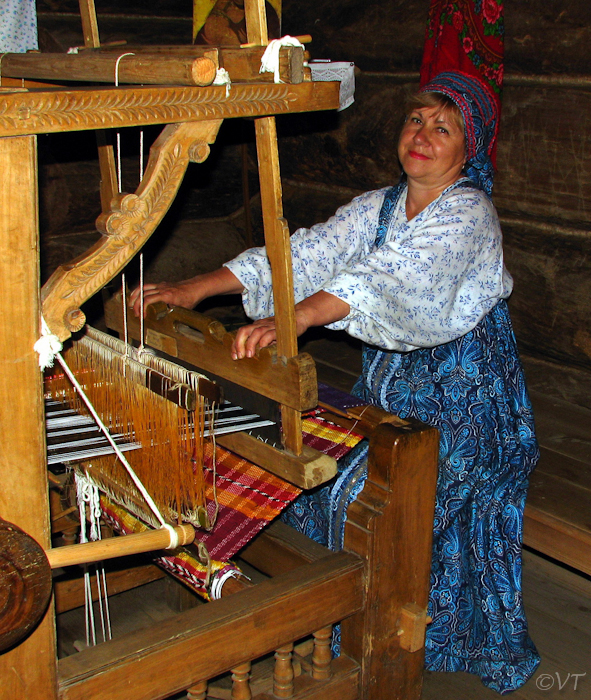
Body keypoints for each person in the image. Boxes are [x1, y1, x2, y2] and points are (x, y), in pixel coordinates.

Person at [131, 70, 540, 694]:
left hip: (470, 398)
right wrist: (192, 288)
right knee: (315, 472)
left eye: (443, 127)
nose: (422, 134)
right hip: (400, 386)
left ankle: (380, 637)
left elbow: (383, 279)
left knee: (368, 496)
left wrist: (292, 318)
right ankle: (329, 621)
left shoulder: (469, 214)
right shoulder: (377, 206)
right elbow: (304, 254)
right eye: (415, 120)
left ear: (469, 148)